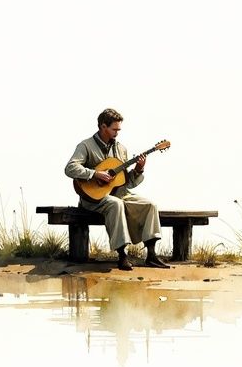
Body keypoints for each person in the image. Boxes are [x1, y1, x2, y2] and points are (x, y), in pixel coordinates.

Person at [64, 108, 170, 270]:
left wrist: (139, 170)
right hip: (94, 198)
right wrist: (95, 174)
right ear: (102, 126)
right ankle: (122, 256)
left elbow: (126, 183)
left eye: (119, 130)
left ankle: (151, 255)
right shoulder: (86, 146)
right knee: (115, 204)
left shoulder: (121, 149)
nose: (117, 133)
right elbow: (70, 168)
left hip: (119, 194)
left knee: (150, 205)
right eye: (114, 129)